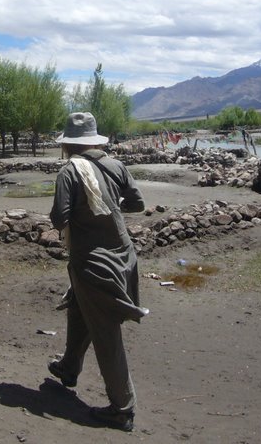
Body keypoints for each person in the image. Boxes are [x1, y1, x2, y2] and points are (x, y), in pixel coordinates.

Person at [47, 112, 147, 432]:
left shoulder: (69, 171)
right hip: (123, 257)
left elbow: (59, 218)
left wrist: (84, 216)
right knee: (79, 307)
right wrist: (109, 207)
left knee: (105, 332)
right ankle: (69, 367)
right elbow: (137, 204)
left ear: (68, 145)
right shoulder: (116, 165)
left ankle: (122, 408)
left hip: (93, 263)